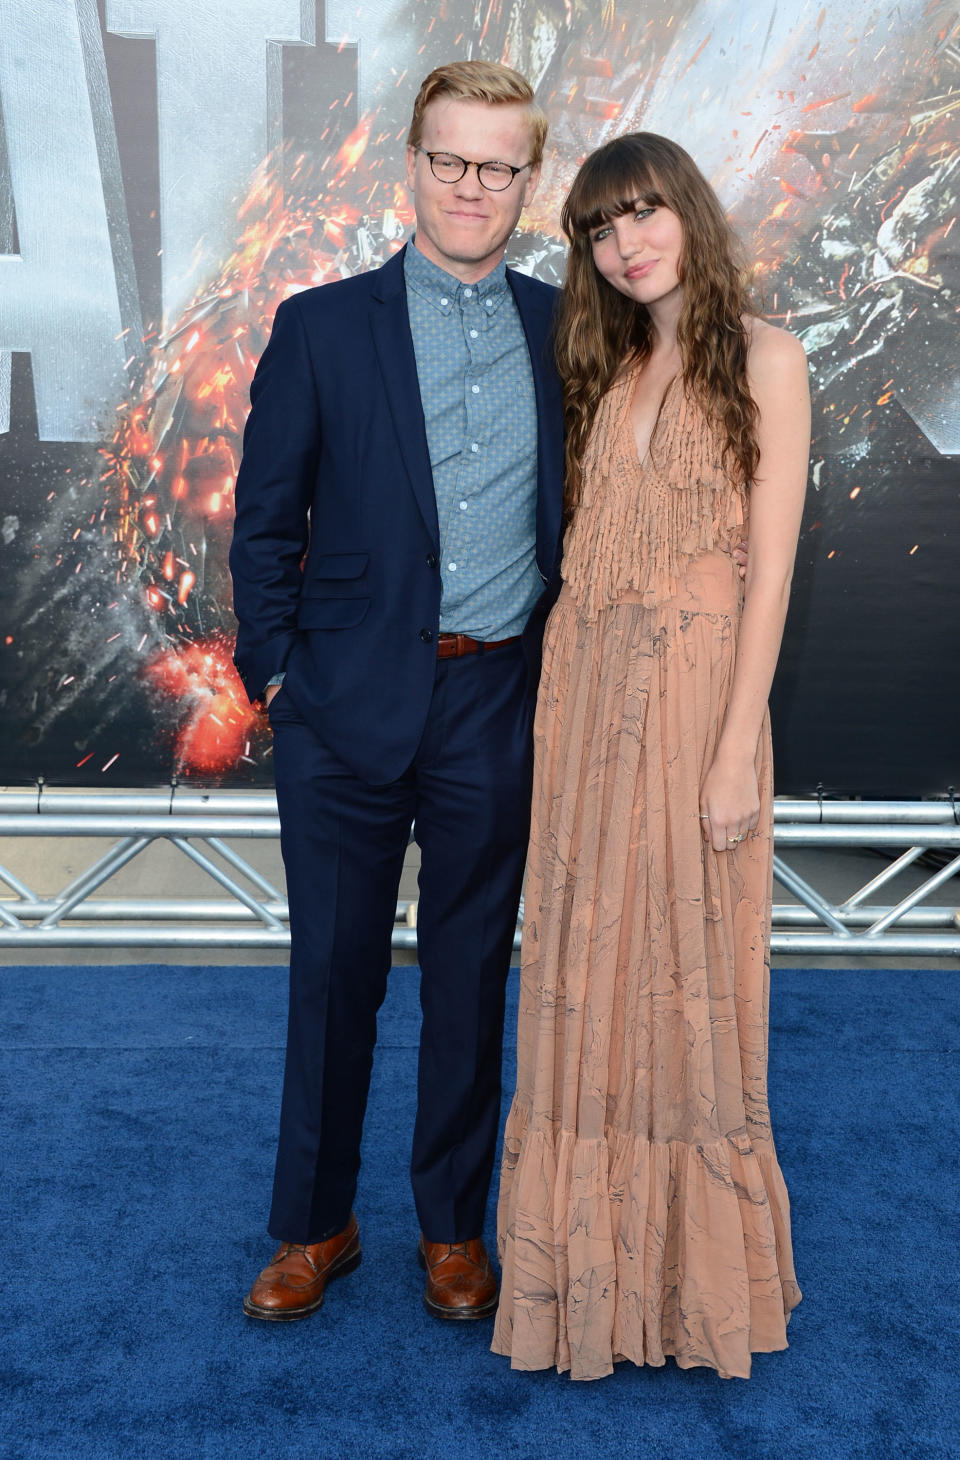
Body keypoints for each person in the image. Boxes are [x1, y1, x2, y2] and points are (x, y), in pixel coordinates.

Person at [229, 61, 565, 1323]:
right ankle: (316, 1225)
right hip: (341, 705)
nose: (472, 186)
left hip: (496, 702)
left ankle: (450, 1227)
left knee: (471, 972)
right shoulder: (322, 325)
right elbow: (263, 527)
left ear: (528, 181)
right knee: (334, 973)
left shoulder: (563, 326)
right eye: (450, 160)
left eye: (499, 165)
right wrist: (279, 678)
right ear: (411, 165)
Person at [492, 133, 809, 1380]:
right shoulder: (609, 367)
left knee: (685, 975)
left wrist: (736, 749)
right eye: (598, 227)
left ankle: (689, 1287)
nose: (627, 241)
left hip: (692, 702)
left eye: (643, 212)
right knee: (585, 966)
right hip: (581, 704)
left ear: (689, 212)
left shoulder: (771, 361)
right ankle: (586, 1275)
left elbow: (769, 573)